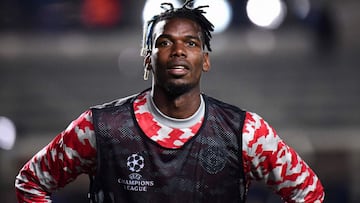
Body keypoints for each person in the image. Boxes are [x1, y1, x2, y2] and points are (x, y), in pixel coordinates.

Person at [15, 0, 325, 202]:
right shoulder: (100, 127)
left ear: (204, 60)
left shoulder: (246, 132)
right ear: (148, 60)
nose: (178, 50)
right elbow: (30, 182)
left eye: (190, 43)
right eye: (165, 42)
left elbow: (309, 194)